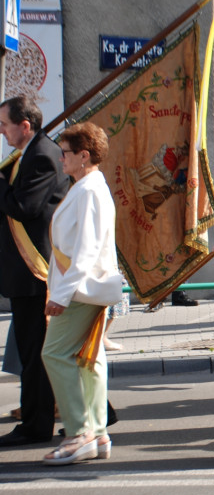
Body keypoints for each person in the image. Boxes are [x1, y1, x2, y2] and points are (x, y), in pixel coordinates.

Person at [38, 122, 123, 464]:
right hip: (85, 289)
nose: (61, 159)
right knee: (89, 360)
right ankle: (97, 433)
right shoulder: (88, 187)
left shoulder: (88, 190)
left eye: (66, 153)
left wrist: (62, 294)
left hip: (80, 291)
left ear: (83, 156)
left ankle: (78, 433)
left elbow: (86, 250)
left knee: (55, 354)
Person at [0, 96, 70, 448]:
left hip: (35, 271)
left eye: (5, 124)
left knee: (35, 353)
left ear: (24, 125)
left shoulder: (42, 154)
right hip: (25, 272)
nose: (2, 131)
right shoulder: (28, 154)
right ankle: (99, 413)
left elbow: (24, 206)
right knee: (42, 351)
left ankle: (35, 425)